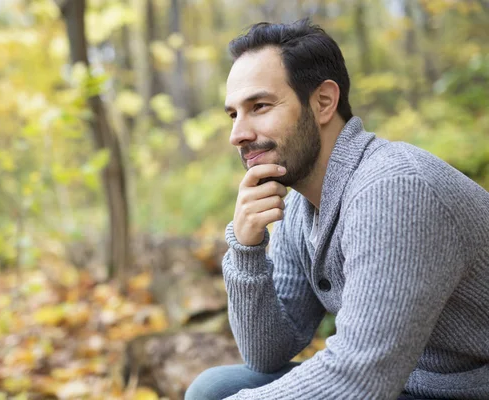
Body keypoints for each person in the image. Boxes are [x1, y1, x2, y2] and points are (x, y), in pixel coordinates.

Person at [185, 19, 489, 400]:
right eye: (233, 114)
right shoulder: (301, 205)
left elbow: (358, 379)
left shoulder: (395, 189)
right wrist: (247, 251)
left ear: (324, 102)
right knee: (215, 387)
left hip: (461, 390)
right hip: (399, 382)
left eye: (259, 106)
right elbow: (266, 354)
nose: (238, 134)